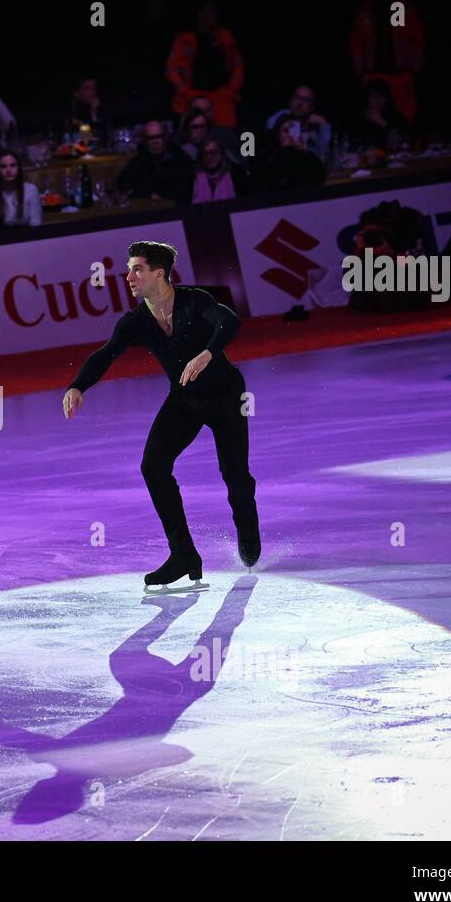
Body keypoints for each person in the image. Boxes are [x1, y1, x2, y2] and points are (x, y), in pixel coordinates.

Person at [63, 241, 259, 586]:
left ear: (159, 273)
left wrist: (208, 353)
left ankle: (247, 528)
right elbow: (106, 354)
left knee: (234, 474)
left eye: (137, 269)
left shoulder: (195, 300)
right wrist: (78, 385)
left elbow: (228, 320)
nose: (129, 277)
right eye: (129, 270)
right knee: (153, 466)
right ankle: (183, 553)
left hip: (226, 395)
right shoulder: (137, 321)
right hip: (184, 400)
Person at [166, 2, 245, 128]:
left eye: (215, 11)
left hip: (222, 97)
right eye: (210, 11)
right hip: (193, 96)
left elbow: (237, 64)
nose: (214, 15)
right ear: (200, 15)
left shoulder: (224, 36)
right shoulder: (184, 39)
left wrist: (232, 89)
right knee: (195, 132)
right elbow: (172, 69)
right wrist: (185, 92)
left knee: (225, 135)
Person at [116, 120, 193, 203]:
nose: (155, 141)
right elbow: (124, 186)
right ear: (145, 141)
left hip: (176, 208)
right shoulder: (137, 162)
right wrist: (148, 195)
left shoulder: (179, 158)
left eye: (158, 137)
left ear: (165, 138)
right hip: (147, 209)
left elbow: (187, 188)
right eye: (151, 138)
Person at [254, 117, 327, 192]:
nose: (290, 134)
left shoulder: (305, 153)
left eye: (294, 131)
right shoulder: (270, 152)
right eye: (286, 131)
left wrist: (307, 154)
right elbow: (265, 177)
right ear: (278, 133)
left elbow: (320, 178)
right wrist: (283, 149)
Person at [0, 150, 42, 227]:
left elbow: (36, 224)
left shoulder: (31, 190)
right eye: (3, 166)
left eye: (13, 165)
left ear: (19, 168)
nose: (8, 170)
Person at [264, 85, 332, 162]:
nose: (300, 103)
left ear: (312, 107)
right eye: (297, 97)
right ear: (290, 101)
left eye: (306, 100)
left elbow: (323, 154)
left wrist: (323, 125)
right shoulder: (277, 119)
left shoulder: (316, 124)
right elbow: (268, 149)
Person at [191, 138, 247, 203]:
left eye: (213, 152)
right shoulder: (194, 178)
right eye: (205, 153)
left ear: (222, 154)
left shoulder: (236, 176)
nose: (209, 157)